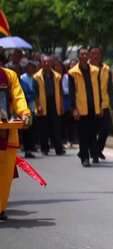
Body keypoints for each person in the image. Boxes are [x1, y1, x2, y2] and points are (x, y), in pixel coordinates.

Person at [0, 54, 32, 221]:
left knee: (5, 175)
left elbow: (19, 97)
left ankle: (0, 208)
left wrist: (25, 114)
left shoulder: (9, 75)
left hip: (7, 131)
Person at [68, 48, 105, 167]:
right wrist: (73, 109)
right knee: (83, 134)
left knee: (93, 133)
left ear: (88, 56)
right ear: (78, 56)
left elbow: (99, 90)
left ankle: (92, 153)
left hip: (94, 107)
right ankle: (84, 157)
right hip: (81, 109)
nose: (84, 56)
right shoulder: (72, 72)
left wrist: (101, 106)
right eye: (82, 54)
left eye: (86, 54)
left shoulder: (95, 70)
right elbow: (72, 93)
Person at [34, 55, 65, 156]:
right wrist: (38, 105)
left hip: (54, 103)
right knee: (43, 128)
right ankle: (44, 148)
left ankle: (58, 149)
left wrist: (61, 105)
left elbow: (60, 92)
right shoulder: (37, 77)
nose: (46, 64)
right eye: (44, 62)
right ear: (41, 63)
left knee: (56, 127)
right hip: (43, 103)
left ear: (52, 63)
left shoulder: (57, 76)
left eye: (48, 62)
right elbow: (36, 93)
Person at [89, 47, 113, 160]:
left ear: (101, 56)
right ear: (90, 55)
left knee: (105, 129)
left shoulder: (106, 69)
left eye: (97, 54)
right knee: (92, 130)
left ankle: (98, 150)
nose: (95, 56)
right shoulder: (85, 69)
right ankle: (94, 153)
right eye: (93, 54)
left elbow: (110, 89)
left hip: (103, 104)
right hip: (90, 105)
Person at [20, 60, 38, 158]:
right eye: (29, 67)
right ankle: (27, 149)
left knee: (31, 128)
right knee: (26, 128)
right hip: (24, 106)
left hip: (32, 106)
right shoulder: (22, 78)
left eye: (32, 67)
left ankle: (30, 148)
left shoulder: (35, 78)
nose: (31, 69)